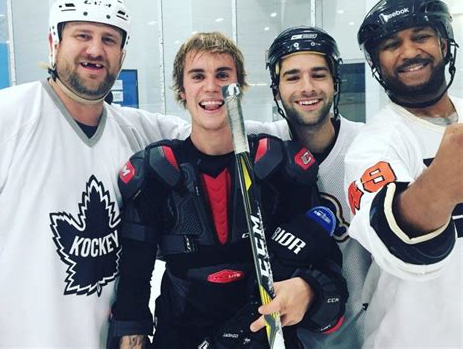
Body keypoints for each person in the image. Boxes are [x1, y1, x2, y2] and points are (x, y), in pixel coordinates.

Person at [108, 31, 348, 348]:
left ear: (240, 86)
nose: (211, 87)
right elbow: (133, 281)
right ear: (182, 90)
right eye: (198, 76)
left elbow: (329, 274)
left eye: (223, 74)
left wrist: (309, 291)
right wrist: (131, 335)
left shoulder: (280, 168)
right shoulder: (157, 172)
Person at [0, 0, 190, 348]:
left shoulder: (133, 131)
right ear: (54, 43)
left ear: (121, 54)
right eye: (82, 35)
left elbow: (207, 132)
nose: (96, 50)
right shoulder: (3, 119)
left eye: (109, 40)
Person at [344, 0, 462, 348]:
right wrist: (444, 178)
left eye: (421, 36)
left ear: (444, 43)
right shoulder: (375, 145)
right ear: (377, 63)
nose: (410, 52)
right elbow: (396, 245)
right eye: (392, 44)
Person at [258, 26, 372, 348]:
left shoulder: (370, 146)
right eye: (292, 77)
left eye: (318, 74)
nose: (307, 88)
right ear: (276, 88)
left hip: (365, 337)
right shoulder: (261, 143)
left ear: (335, 81)